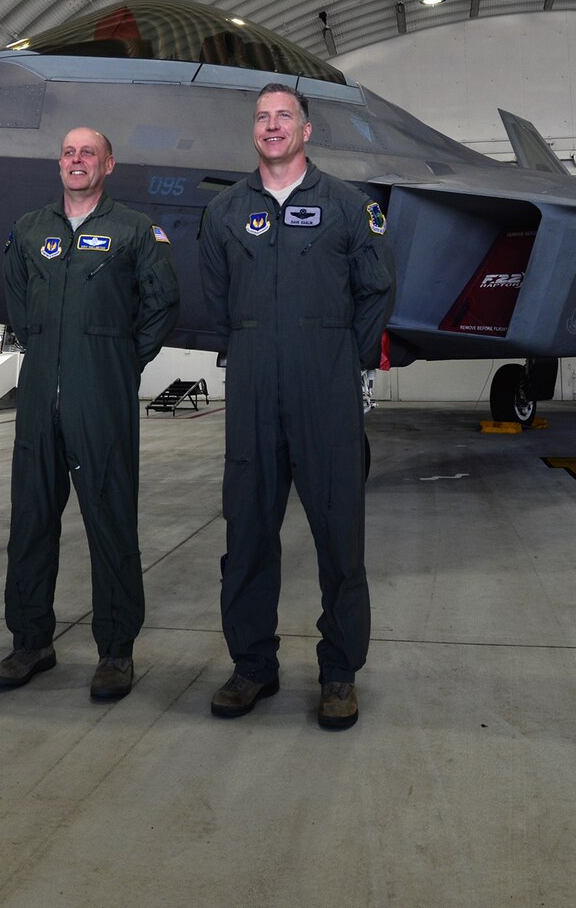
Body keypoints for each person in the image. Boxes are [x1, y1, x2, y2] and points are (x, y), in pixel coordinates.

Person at [199, 83, 394, 731]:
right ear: (253, 130)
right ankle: (253, 663)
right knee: (247, 533)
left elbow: (377, 289)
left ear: (307, 130)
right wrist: (256, 346)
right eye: (262, 116)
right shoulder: (225, 211)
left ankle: (339, 671)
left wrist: (339, 357)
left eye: (285, 116)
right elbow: (216, 294)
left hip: (325, 392)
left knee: (340, 537)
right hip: (253, 387)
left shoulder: (346, 207)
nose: (273, 125)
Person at [0, 127, 180, 701]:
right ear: (61, 163)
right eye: (69, 153)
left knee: (111, 522)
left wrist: (116, 360)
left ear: (109, 164)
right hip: (39, 396)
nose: (77, 161)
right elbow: (20, 304)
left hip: (102, 397)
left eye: (88, 153)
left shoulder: (135, 230)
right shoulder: (30, 229)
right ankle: (30, 642)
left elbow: (162, 304)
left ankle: (116, 651)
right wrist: (50, 349)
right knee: (30, 523)